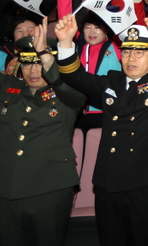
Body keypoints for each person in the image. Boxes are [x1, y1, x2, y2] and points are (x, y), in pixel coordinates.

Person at [55, 15, 148, 246]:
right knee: (111, 238)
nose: (131, 58)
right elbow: (74, 76)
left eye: (139, 52)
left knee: (144, 239)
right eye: (127, 52)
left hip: (145, 180)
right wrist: (65, 42)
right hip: (108, 178)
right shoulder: (112, 80)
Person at [0, 18, 85, 246]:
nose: (34, 70)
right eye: (28, 64)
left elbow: (74, 89)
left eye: (39, 64)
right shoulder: (9, 90)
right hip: (6, 187)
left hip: (49, 189)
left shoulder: (67, 94)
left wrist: (45, 53)